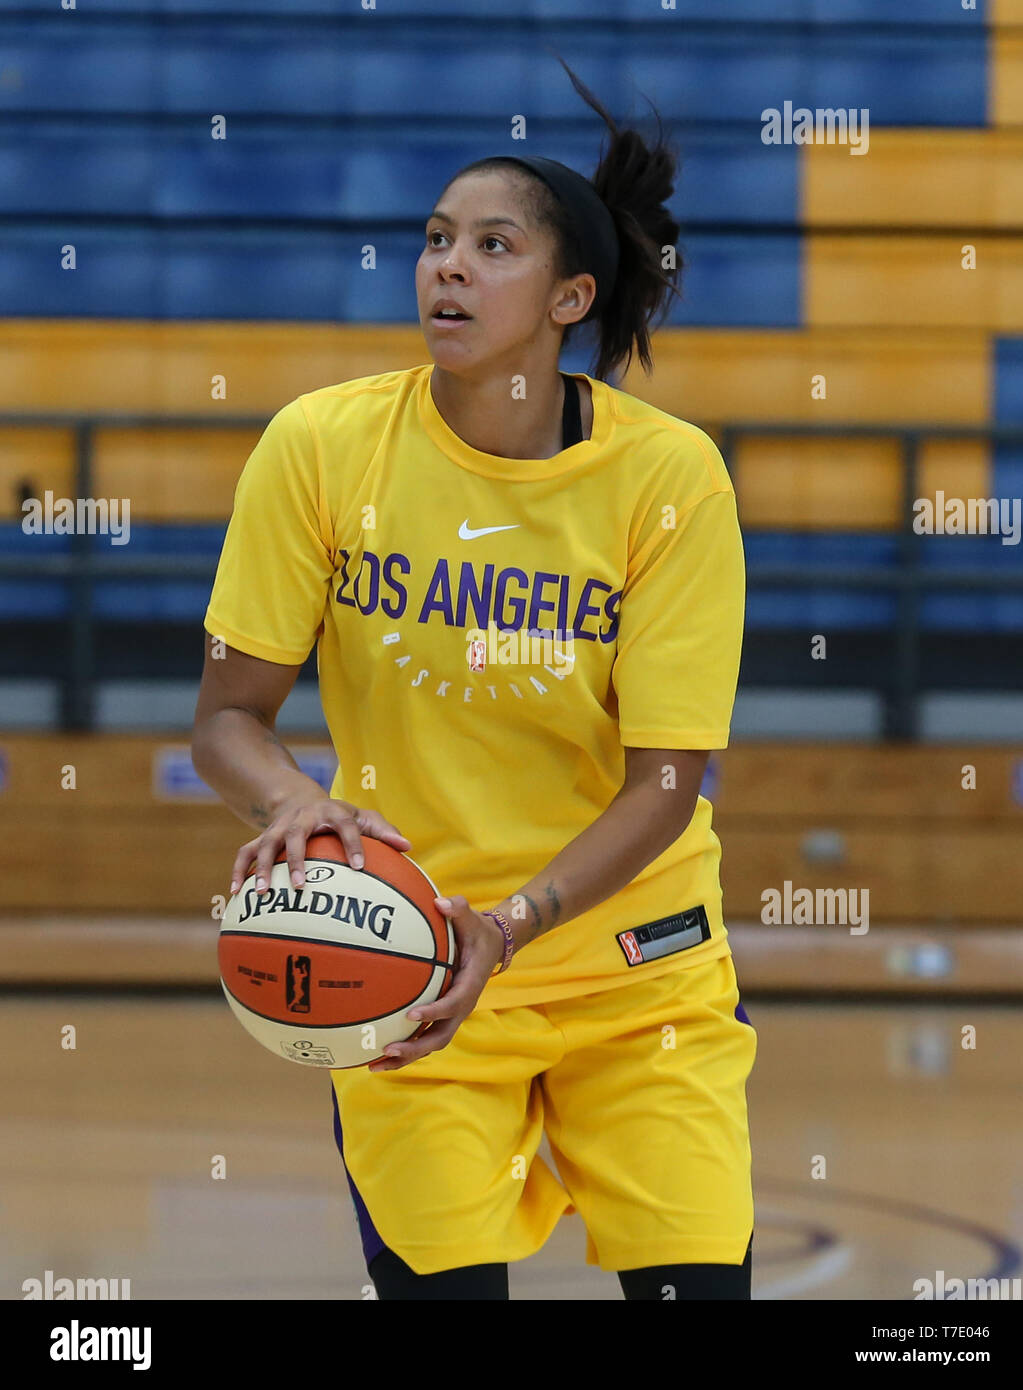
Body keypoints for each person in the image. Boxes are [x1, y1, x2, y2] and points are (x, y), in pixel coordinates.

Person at [192, 59, 755, 1301]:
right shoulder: (323, 446)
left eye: (490, 246)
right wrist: (292, 803)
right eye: (435, 238)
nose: (445, 264)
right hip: (408, 963)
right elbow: (230, 718)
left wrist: (512, 928)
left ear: (570, 296)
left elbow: (667, 780)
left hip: (630, 960)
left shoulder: (668, 480)